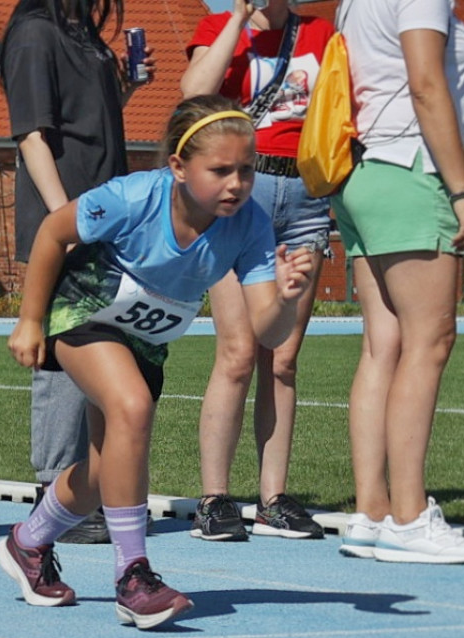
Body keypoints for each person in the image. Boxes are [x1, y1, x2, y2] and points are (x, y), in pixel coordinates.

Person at [0, 95, 314, 628]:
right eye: (220, 170)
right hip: (85, 309)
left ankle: (27, 542)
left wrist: (284, 296)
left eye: (246, 169)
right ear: (178, 167)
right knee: (133, 407)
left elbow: (267, 330)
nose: (236, 183)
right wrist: (30, 321)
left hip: (143, 340)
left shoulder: (251, 225)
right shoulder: (133, 197)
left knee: (104, 471)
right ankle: (133, 575)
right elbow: (54, 231)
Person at [332, 0, 464, 563]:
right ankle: (408, 516)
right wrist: (463, 190)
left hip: (365, 170)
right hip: (410, 169)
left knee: (382, 347)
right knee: (429, 341)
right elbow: (426, 85)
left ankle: (371, 513)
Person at [0, 0, 152, 544]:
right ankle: (54, 490)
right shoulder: (36, 33)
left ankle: (87, 490)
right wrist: (66, 219)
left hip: (103, 214)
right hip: (66, 219)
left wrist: (126, 88)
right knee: (61, 360)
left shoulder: (81, 31)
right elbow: (32, 135)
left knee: (98, 352)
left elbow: (88, 124)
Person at [180, 0, 332, 541]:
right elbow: (195, 94)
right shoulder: (221, 27)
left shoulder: (320, 31)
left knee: (284, 357)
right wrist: (239, 21)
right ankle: (215, 498)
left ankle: (273, 498)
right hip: (240, 196)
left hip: (305, 197)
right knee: (239, 352)